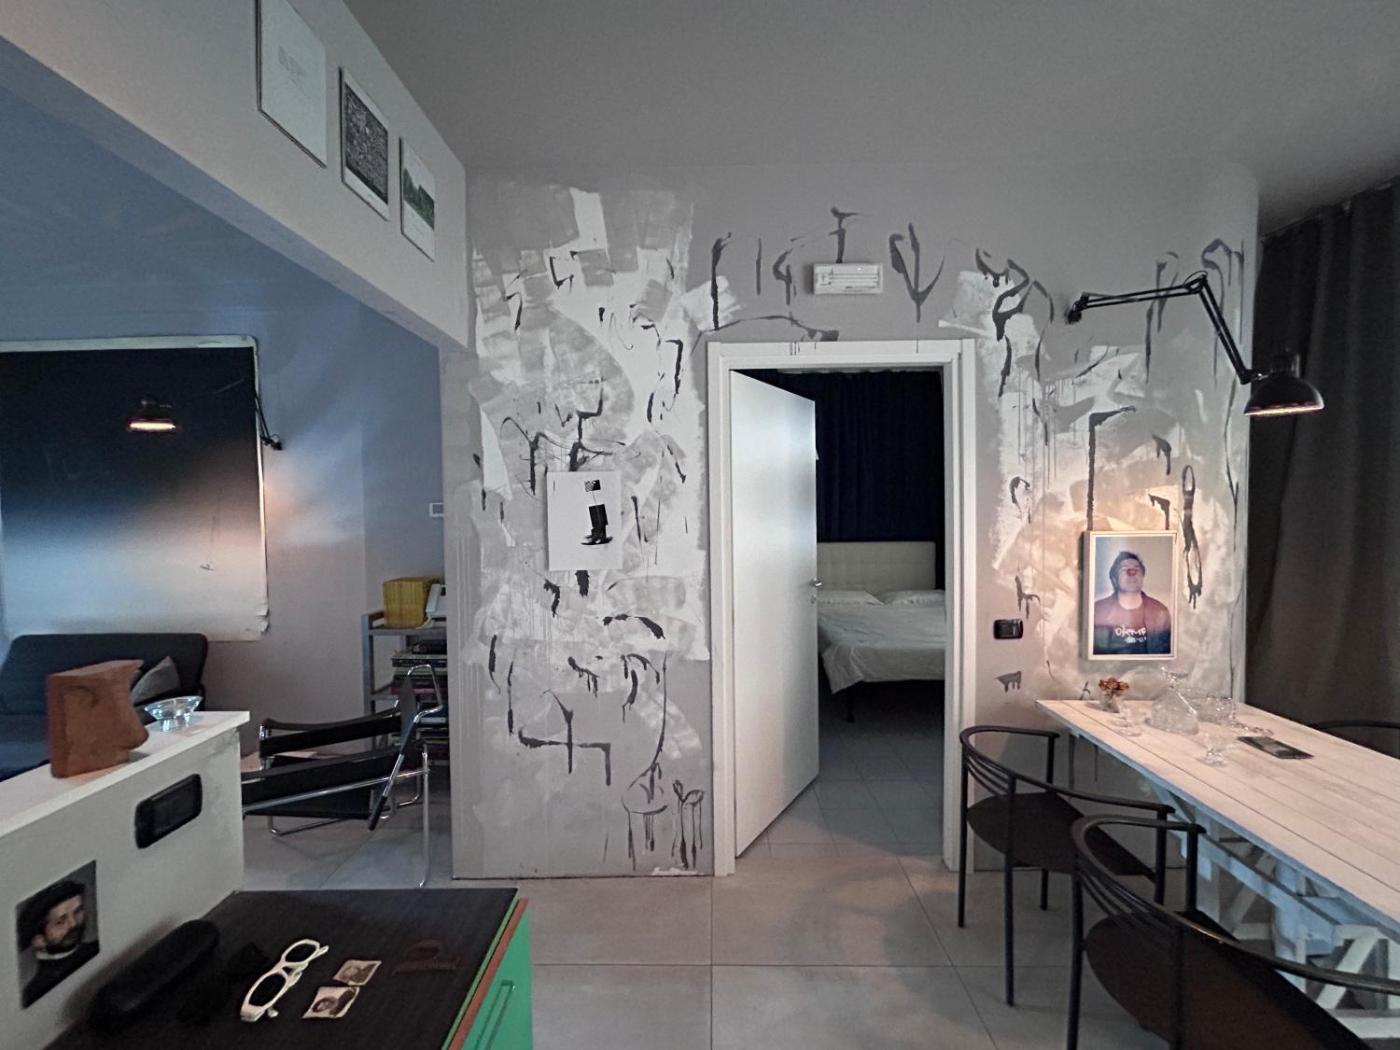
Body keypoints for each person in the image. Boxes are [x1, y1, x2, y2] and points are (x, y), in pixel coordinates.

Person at [19, 880, 98, 1007]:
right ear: (39, 940)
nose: (73, 924)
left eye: (77, 912)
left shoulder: (94, 947)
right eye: (60, 921)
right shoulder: (35, 991)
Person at [1093, 550, 1171, 655]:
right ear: (1114, 578)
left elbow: (1164, 655)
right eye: (1124, 568)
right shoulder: (1097, 611)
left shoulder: (1160, 612)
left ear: (1142, 577)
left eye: (1136, 569)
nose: (1131, 572)